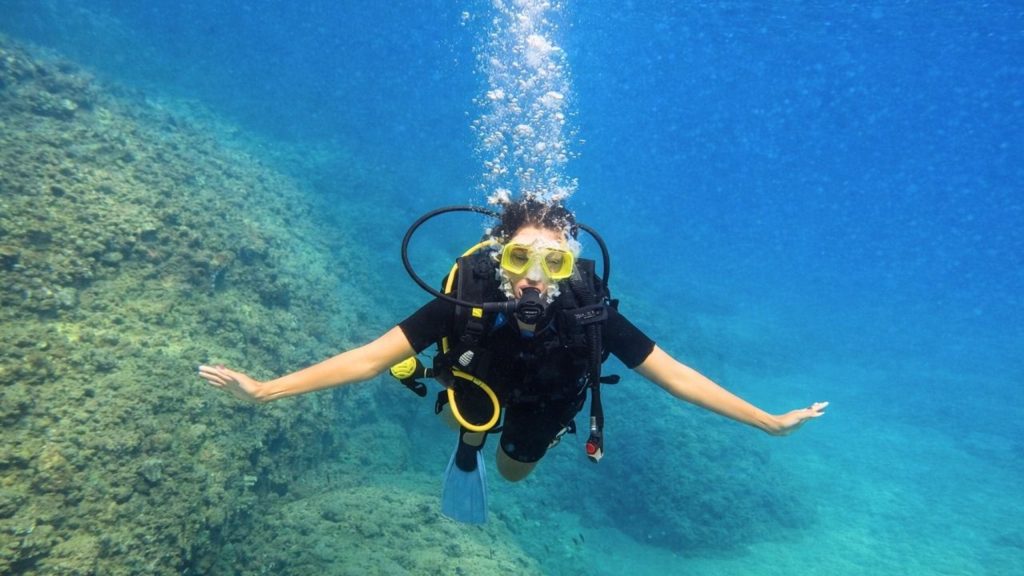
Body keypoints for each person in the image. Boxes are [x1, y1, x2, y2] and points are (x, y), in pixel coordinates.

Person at [199, 198, 828, 524]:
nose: (533, 278)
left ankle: (475, 430)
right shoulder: (463, 298)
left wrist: (768, 422)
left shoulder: (589, 308)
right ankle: (447, 403)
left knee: (511, 474)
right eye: (520, 258)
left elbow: (676, 376)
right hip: (475, 383)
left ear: (571, 265)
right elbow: (367, 358)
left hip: (547, 406)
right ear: (499, 256)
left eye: (552, 262)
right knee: (461, 418)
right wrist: (266, 391)